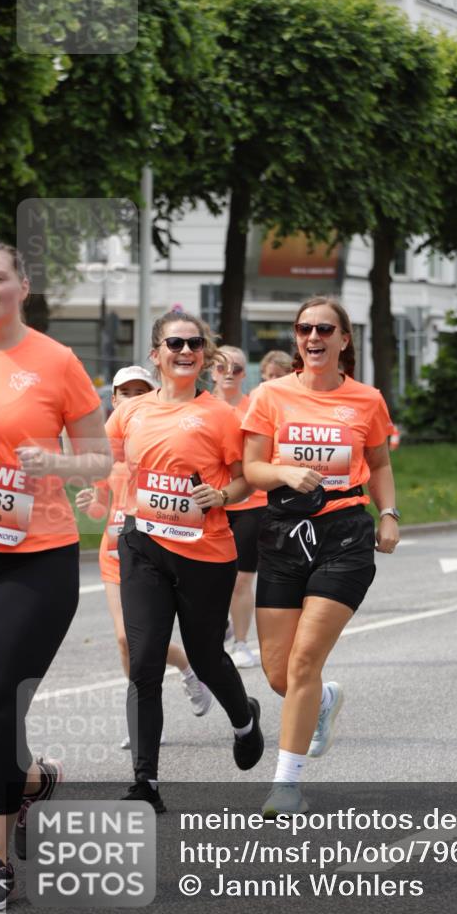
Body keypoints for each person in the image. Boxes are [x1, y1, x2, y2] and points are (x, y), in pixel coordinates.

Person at [0, 241, 111, 910]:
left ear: (22, 287)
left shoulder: (54, 361)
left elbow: (100, 460)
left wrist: (54, 464)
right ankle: (30, 781)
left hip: (34, 555)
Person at [242, 296, 399, 816]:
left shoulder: (366, 400)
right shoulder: (270, 395)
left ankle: (286, 783)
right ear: (297, 337)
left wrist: (390, 513)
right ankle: (323, 702)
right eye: (305, 328)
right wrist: (285, 472)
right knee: (278, 673)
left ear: (343, 339)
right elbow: (252, 467)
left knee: (306, 659)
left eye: (325, 329)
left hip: (345, 534)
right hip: (284, 532)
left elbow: (377, 463)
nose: (314, 337)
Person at [107, 311, 264, 813]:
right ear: (156, 354)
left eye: (194, 342)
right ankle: (145, 783)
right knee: (145, 659)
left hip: (204, 554)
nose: (185, 349)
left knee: (205, 657)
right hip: (143, 547)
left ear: (204, 353)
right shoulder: (131, 412)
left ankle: (244, 721)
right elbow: (109, 460)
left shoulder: (220, 413)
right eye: (174, 342)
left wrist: (220, 494)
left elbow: (246, 480)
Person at [75, 365, 213, 748]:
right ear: (114, 399)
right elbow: (102, 507)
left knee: (145, 642)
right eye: (126, 391)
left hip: (156, 554)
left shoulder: (161, 443)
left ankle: (186, 670)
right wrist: (92, 503)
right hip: (114, 554)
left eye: (142, 390)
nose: (133, 396)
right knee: (124, 639)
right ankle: (142, 715)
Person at [211, 347, 265, 669]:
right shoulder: (200, 405)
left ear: (245, 373)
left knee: (242, 579)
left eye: (237, 367)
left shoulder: (253, 408)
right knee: (213, 579)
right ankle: (222, 629)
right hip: (211, 502)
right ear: (212, 371)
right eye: (221, 367)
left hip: (251, 502)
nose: (229, 372)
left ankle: (242, 643)